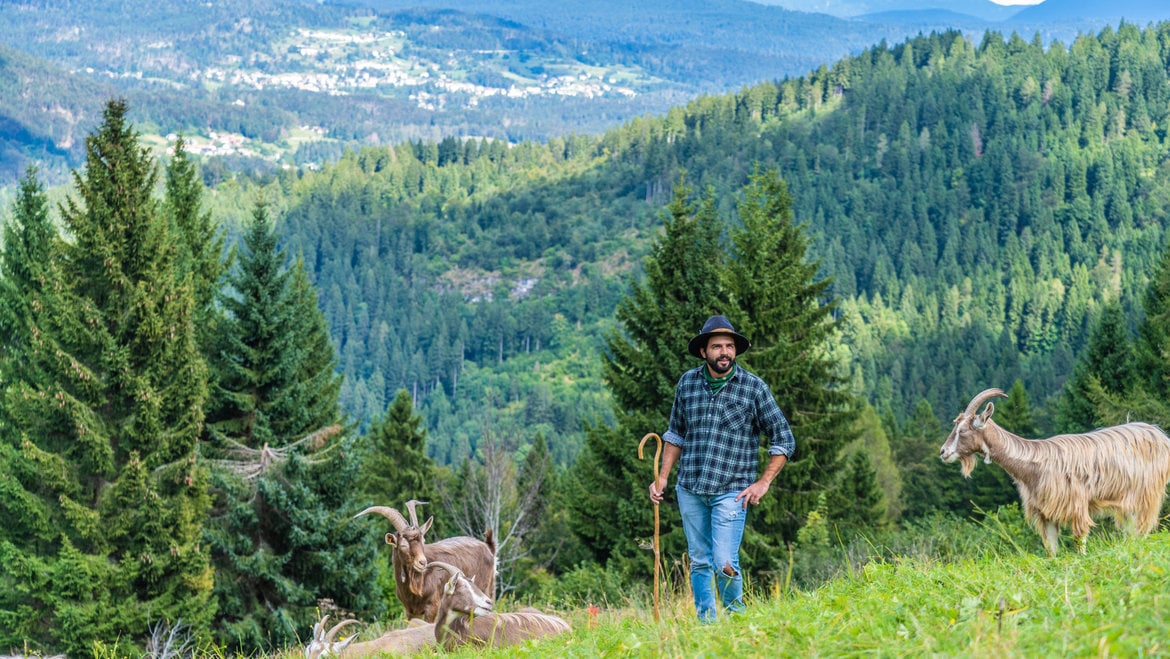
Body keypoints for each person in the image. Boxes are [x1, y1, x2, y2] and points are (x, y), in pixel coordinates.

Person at [648, 314, 795, 622]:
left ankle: (737, 621)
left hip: (732, 490)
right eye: (717, 346)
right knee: (700, 560)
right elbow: (675, 434)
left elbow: (783, 438)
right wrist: (662, 478)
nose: (724, 352)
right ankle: (706, 626)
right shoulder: (688, 383)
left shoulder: (753, 388)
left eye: (729, 346)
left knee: (723, 559)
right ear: (704, 351)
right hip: (690, 488)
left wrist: (763, 482)